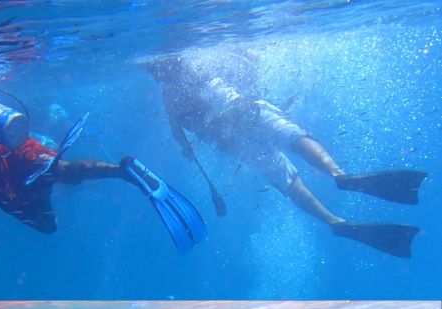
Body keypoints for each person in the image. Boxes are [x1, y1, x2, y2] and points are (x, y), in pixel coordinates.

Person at [0, 77, 206, 254]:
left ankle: (41, 187)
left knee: (46, 224)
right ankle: (122, 169)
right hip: (6, 139)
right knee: (64, 168)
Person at [148, 51, 427, 258]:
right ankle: (340, 175)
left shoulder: (169, 98)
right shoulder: (196, 62)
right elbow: (246, 64)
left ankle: (336, 222)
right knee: (294, 137)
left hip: (235, 143)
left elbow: (181, 141)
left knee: (288, 181)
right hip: (248, 112)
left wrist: (188, 148)